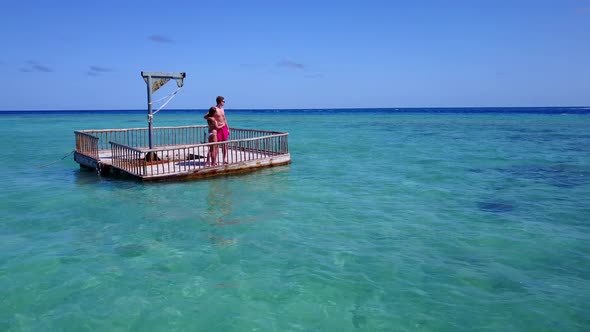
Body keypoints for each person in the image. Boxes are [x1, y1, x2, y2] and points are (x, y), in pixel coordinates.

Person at [212, 96, 230, 164]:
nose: (224, 102)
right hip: (218, 128)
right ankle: (215, 160)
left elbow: (224, 119)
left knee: (224, 144)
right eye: (223, 101)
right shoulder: (214, 109)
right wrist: (214, 122)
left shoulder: (222, 109)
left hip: (224, 127)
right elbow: (207, 116)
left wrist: (228, 128)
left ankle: (224, 159)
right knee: (217, 145)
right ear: (220, 102)